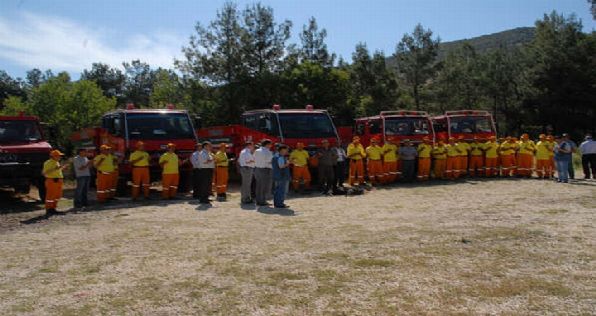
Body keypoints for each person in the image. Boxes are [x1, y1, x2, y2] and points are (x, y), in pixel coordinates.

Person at [42, 150, 68, 216]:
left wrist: (62, 168)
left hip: (58, 181)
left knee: (57, 195)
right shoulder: (48, 163)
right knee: (50, 196)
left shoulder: (56, 162)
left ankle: (53, 208)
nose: (60, 157)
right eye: (59, 156)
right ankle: (49, 209)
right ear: (54, 156)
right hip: (52, 181)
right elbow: (44, 173)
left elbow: (56, 170)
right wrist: (56, 168)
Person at [254, 139, 273, 206]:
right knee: (264, 186)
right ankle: (262, 201)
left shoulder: (257, 150)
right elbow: (270, 161)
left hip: (257, 169)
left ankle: (258, 201)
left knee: (259, 186)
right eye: (270, 144)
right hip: (265, 169)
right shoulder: (268, 152)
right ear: (267, 144)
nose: (271, 146)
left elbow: (254, 158)